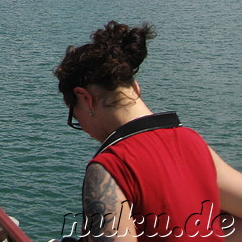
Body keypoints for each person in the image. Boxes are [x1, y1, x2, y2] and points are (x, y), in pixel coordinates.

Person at [54, 21, 242, 242]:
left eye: (75, 117)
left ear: (86, 99)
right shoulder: (193, 142)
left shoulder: (111, 167)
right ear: (135, 88)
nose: (84, 129)